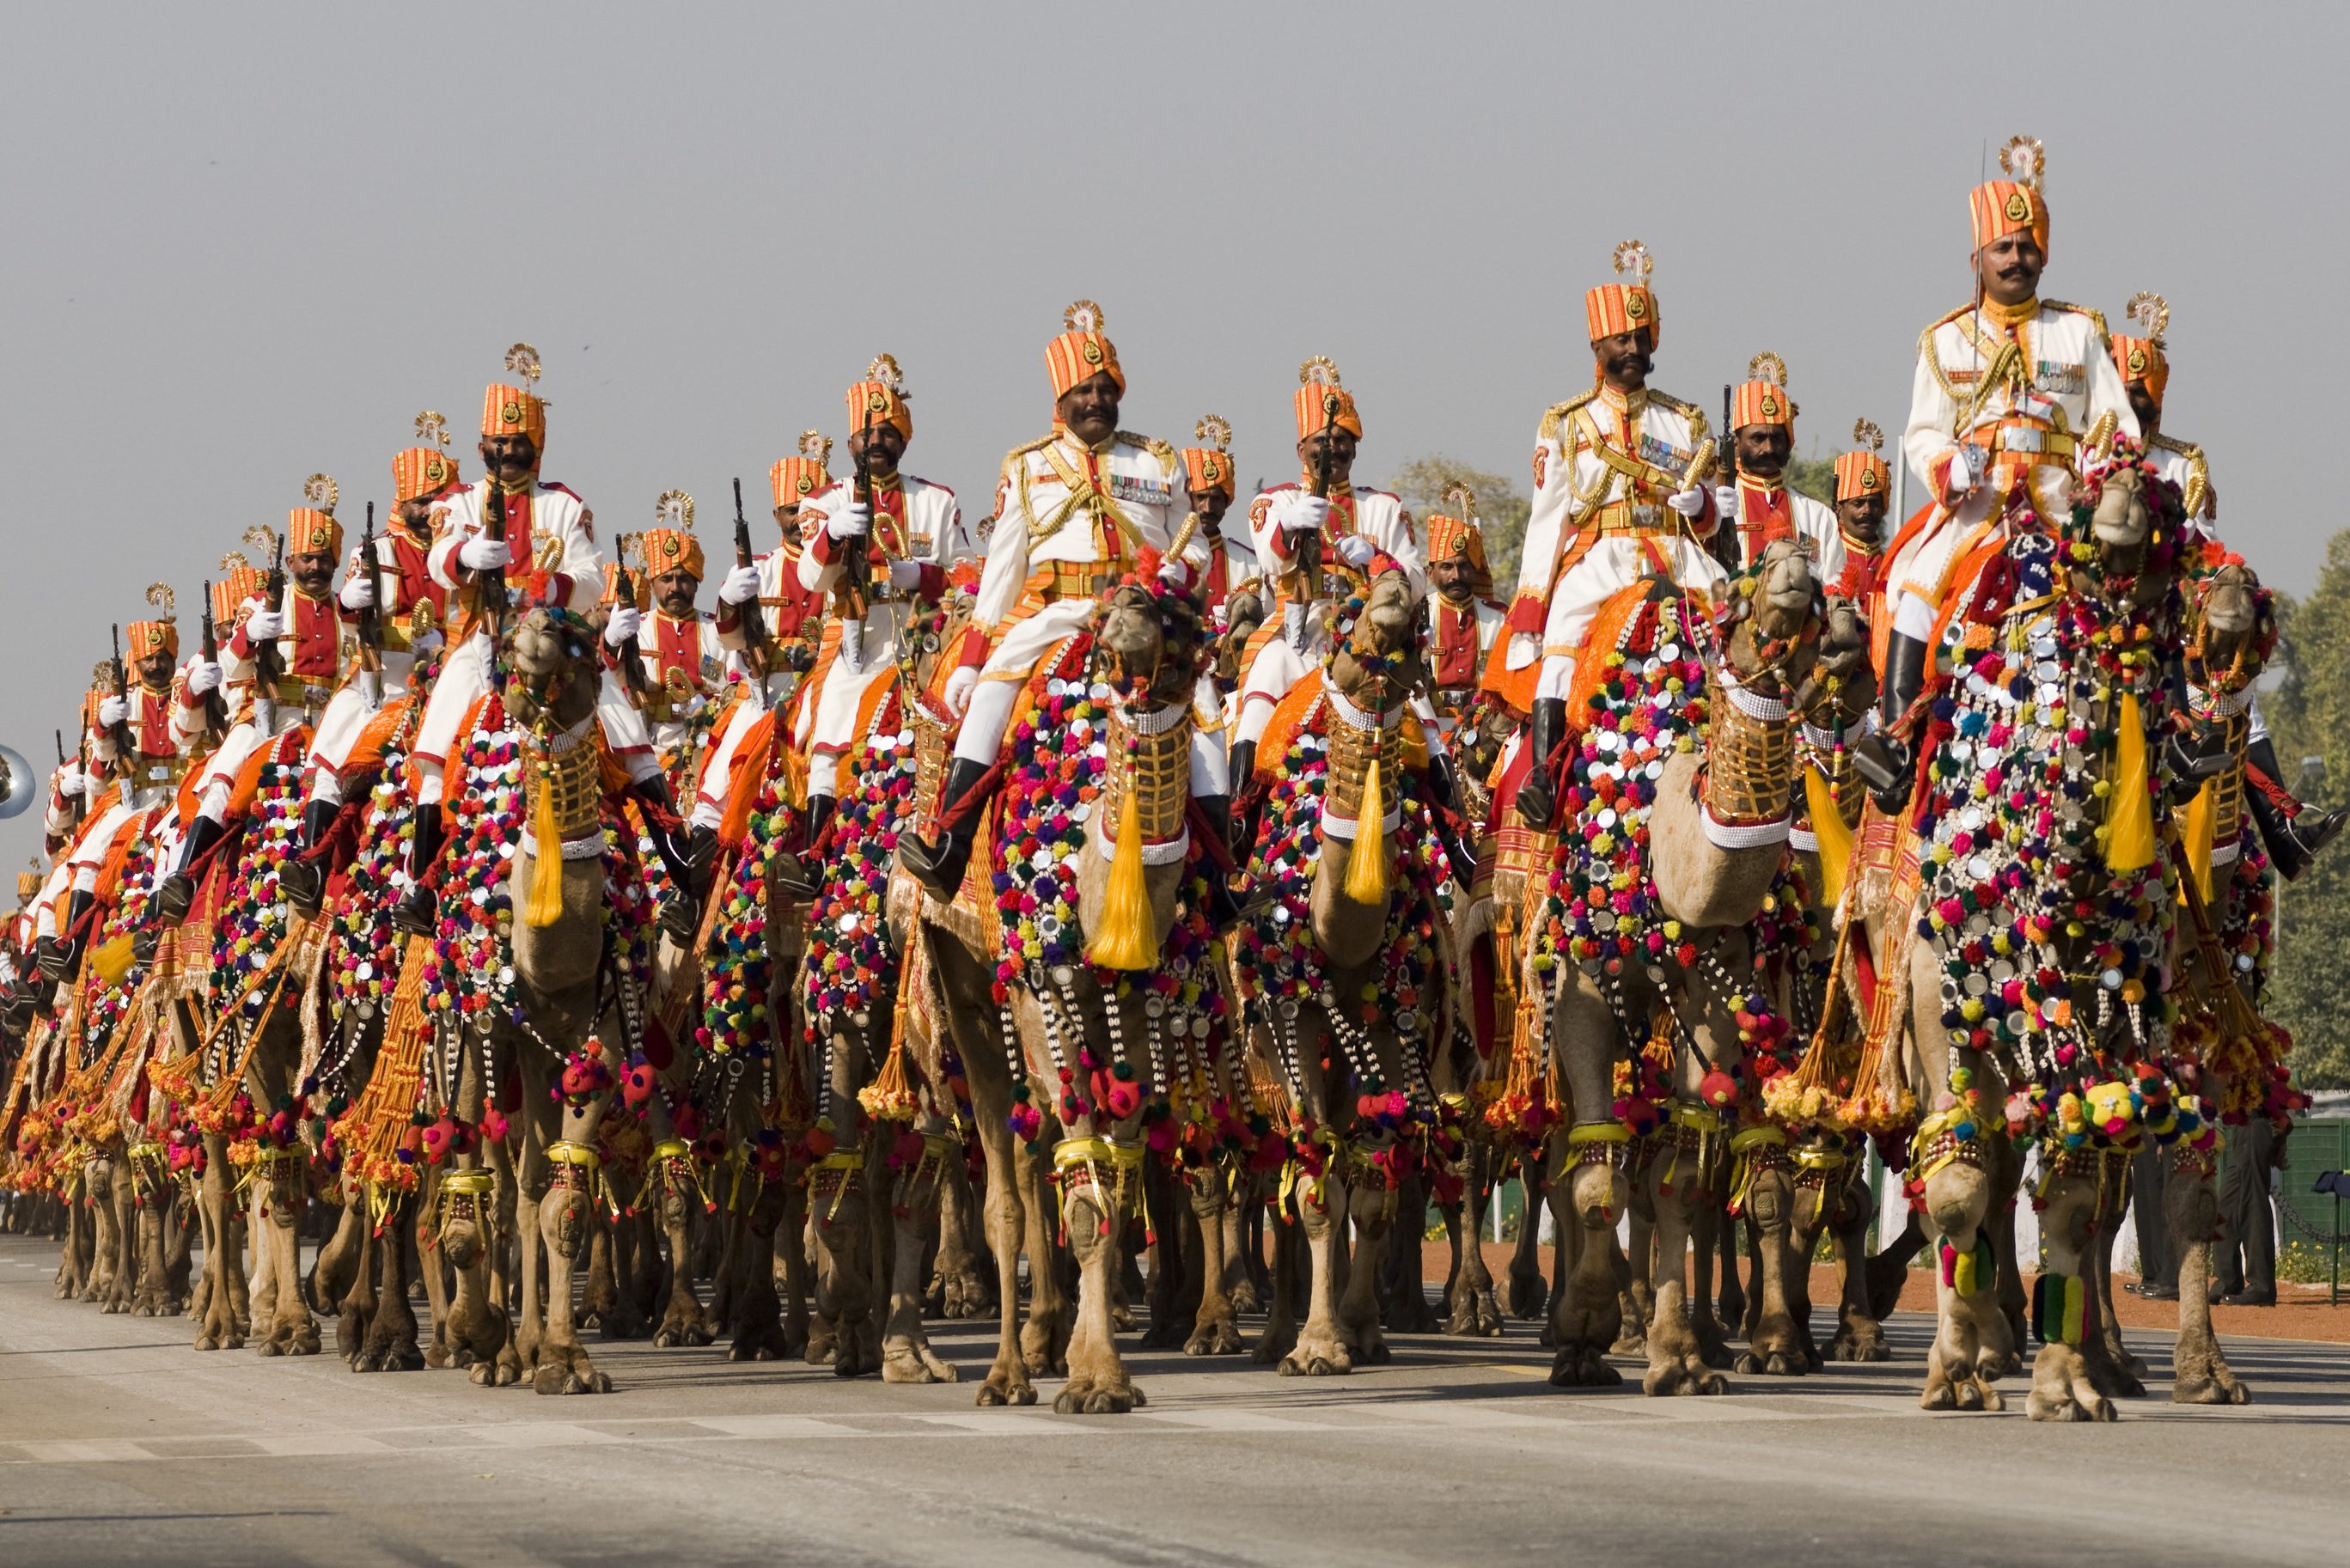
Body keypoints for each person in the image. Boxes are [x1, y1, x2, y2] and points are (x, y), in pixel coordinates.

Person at [897, 301, 1214, 899]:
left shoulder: (1158, 459)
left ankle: (1223, 873)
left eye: (1105, 389)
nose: (1095, 400)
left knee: (1208, 718)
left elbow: (1194, 547)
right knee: (991, 697)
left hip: (1144, 622)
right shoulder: (1026, 466)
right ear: (1060, 399)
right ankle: (951, 843)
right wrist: (969, 657)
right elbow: (1001, 574)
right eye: (1082, 390)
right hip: (1055, 617)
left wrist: (1174, 568)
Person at [1857, 136, 2138, 808]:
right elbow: (1922, 429)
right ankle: (1894, 740)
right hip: (1977, 508)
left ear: (2043, 253)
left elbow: (2117, 423)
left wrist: (2101, 479)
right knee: (1915, 584)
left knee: (2138, 608)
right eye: (2003, 248)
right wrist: (1949, 466)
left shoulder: (2080, 332)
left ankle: (2171, 742)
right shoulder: (1944, 339)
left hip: (2062, 504)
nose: (2015, 259)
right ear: (1976, 258)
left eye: (2026, 247)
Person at [398, 347, 650, 933]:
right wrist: (464, 554)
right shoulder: (456, 502)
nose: (508, 451)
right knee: (438, 735)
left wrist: (548, 583)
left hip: (555, 641)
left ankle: (675, 851)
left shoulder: (564, 505)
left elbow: (588, 580)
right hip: (480, 640)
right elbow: (437, 560)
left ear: (536, 445)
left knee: (622, 721)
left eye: (518, 442)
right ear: (482, 443)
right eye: (497, 441)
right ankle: (422, 886)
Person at [1485, 241, 1724, 830]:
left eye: (1641, 338)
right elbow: (1546, 523)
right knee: (1566, 627)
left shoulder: (1684, 420)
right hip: (1602, 553)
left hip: (1676, 552)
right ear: (1597, 346)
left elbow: (1713, 524)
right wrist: (1528, 612)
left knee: (1735, 619)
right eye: (1621, 339)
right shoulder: (1568, 423)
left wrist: (1700, 507)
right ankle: (1542, 775)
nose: (1633, 349)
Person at [2109, 294, 2345, 878]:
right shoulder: (2081, 461)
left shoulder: (2183, 465)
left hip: (2162, 613)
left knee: (2236, 690)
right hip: (2090, 614)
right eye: (2125, 400)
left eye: (2145, 401)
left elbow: (2200, 550)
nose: (2136, 412)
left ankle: (2283, 832)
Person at [791, 355, 970, 853]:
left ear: (904, 442)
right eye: (867, 435)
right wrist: (831, 534)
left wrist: (922, 577)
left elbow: (968, 577)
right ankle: (814, 857)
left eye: (888, 433)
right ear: (850, 443)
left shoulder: (937, 501)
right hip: (853, 633)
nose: (876, 442)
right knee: (832, 723)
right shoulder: (824, 500)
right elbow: (809, 576)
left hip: (921, 632)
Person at [279, 418, 459, 908]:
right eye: (423, 501)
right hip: (385, 684)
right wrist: (350, 604)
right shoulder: (375, 551)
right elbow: (354, 622)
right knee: (332, 758)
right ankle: (313, 865)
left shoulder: (459, 549)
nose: (432, 510)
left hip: (448, 684)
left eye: (439, 498)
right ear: (403, 502)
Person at [1228, 357, 1424, 784]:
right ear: (1301, 449)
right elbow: (1268, 557)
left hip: (1369, 633)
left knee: (1425, 719)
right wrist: (1292, 524)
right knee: (1261, 685)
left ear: (1355, 448)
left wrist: (1376, 557)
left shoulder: (1383, 508)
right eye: (1321, 439)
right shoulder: (1273, 503)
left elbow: (1417, 577)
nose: (1331, 448)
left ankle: (1455, 827)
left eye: (1342, 439)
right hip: (1294, 631)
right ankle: (1238, 813)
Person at [156, 490, 346, 923]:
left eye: (324, 558)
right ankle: (184, 877)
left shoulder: (344, 610)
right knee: (223, 775)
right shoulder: (257, 608)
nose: (315, 567)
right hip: (267, 719)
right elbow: (227, 666)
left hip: (330, 719)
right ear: (289, 563)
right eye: (306, 558)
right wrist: (247, 636)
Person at [1716, 354, 1843, 583]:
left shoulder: (1818, 516)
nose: (1768, 448)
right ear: (1737, 443)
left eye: (1776, 438)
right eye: (1758, 438)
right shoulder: (1721, 509)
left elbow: (1836, 591)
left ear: (1788, 443)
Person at [1423, 505, 1505, 751]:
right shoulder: (1417, 615)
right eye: (1446, 567)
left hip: (1484, 734)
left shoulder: (1499, 618)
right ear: (1430, 572)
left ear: (1476, 570)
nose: (1456, 575)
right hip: (1428, 729)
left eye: (1464, 566)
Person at [1181, 414, 1259, 618]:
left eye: (1216, 498)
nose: (1207, 508)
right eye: (1200, 497)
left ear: (1227, 503)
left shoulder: (1249, 563)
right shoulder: (1163, 558)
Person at [2212, 1115, 2280, 1306]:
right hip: (2242, 1125)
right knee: (2225, 1209)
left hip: (2255, 1122)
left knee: (2253, 1208)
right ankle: (2228, 1282)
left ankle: (2262, 1287)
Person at [1829, 418, 1892, 598]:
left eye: (1874, 503)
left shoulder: (1893, 564)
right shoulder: (1829, 557)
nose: (1867, 510)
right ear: (1840, 508)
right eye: (1858, 503)